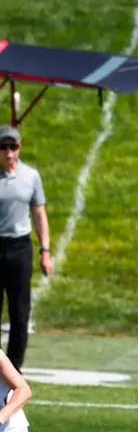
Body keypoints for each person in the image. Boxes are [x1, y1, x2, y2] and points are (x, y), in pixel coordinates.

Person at [0, 124, 51, 370]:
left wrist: (45, 251)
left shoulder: (31, 176)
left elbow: (39, 214)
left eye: (13, 146)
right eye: (3, 147)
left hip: (20, 247)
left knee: (20, 312)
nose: (8, 152)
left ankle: (14, 370)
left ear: (19, 148)